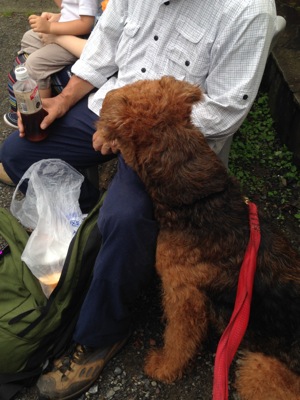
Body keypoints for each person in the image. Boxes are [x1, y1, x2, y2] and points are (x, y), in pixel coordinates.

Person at [0, 0, 277, 398]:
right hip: (114, 110)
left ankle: (102, 333)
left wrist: (132, 132)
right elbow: (105, 44)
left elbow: (224, 111)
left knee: (125, 221)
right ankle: (88, 225)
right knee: (18, 153)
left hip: (169, 144)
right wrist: (65, 100)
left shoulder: (248, 11)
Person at [3, 0, 99, 129]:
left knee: (36, 64)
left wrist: (50, 28)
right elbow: (71, 11)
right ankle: (30, 79)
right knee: (29, 37)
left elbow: (86, 24)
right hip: (65, 30)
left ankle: (38, 114)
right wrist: (57, 17)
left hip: (78, 40)